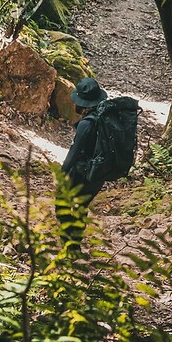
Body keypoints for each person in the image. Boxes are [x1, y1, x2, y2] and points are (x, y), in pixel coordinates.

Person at [57, 77, 108, 242]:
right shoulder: (105, 117)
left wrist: (61, 174)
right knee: (81, 206)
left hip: (82, 173)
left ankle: (69, 243)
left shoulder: (87, 124)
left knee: (62, 204)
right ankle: (76, 241)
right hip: (99, 173)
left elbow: (74, 153)